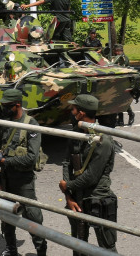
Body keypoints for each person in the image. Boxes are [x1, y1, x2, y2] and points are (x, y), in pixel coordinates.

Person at [0, 89, 48, 256]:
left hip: (24, 181)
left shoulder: (31, 125)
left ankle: (41, 251)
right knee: (7, 217)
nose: (3, 108)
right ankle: (11, 248)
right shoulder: (7, 122)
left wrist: (5, 161)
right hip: (7, 178)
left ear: (17, 105)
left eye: (6, 106)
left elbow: (31, 158)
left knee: (33, 218)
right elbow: (1, 149)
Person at [60, 94, 117, 255]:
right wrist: (68, 196)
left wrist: (67, 186)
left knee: (107, 247)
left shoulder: (103, 140)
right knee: (78, 244)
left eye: (73, 108)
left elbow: (92, 176)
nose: (71, 111)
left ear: (81, 113)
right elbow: (66, 162)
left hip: (97, 197)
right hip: (76, 197)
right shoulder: (76, 133)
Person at [112, 45, 135, 127]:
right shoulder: (116, 58)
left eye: (119, 51)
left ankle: (131, 114)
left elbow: (123, 69)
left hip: (124, 81)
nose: (117, 52)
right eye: (116, 51)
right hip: (117, 81)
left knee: (123, 101)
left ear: (122, 51)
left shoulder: (124, 58)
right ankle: (120, 120)